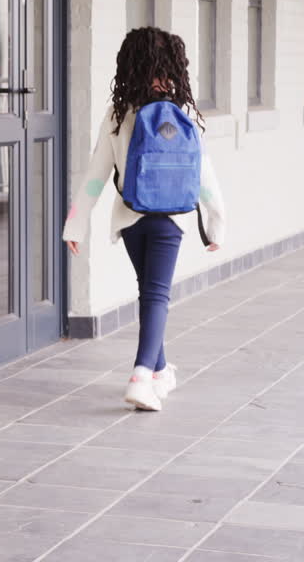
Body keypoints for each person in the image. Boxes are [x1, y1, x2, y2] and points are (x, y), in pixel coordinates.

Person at [62, 27, 226, 412]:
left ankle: (160, 370)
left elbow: (95, 175)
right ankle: (140, 375)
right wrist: (216, 224)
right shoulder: (182, 113)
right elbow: (204, 175)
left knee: (151, 292)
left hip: (131, 217)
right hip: (171, 219)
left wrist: (77, 223)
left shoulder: (119, 114)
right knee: (157, 294)